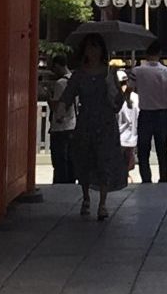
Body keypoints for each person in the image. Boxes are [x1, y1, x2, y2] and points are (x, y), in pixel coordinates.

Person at [62, 32, 126, 221]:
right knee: (85, 160)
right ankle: (86, 196)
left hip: (105, 122)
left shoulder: (109, 73)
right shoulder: (79, 75)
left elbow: (117, 102)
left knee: (104, 160)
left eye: (96, 47)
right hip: (86, 121)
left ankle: (103, 203)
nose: (93, 51)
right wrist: (60, 110)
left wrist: (116, 91)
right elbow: (68, 95)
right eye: (90, 47)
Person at [129, 42, 167, 184]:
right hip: (161, 113)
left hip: (145, 113)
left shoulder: (137, 71)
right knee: (162, 149)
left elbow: (128, 90)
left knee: (143, 149)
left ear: (146, 54)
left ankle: (146, 178)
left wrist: (127, 102)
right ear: (160, 54)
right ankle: (164, 177)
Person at [48, 56, 77, 187]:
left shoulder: (61, 83)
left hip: (61, 127)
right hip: (73, 124)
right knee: (70, 159)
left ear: (58, 66)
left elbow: (58, 107)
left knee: (59, 161)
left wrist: (49, 99)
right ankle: (70, 183)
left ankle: (60, 185)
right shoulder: (74, 80)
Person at [116, 70, 140, 181]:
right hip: (132, 138)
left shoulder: (115, 98)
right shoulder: (136, 98)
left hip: (118, 138)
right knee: (128, 164)